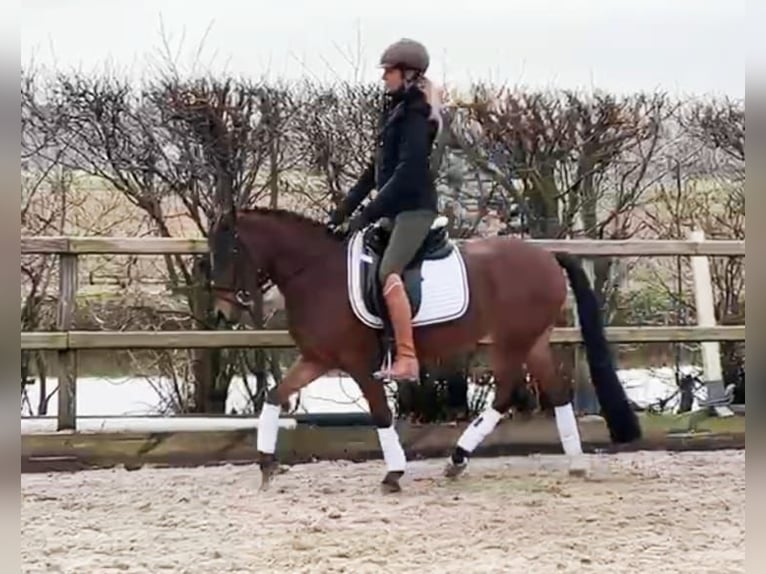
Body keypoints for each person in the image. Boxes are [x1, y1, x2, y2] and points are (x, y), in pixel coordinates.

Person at [328, 38, 442, 382]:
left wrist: (367, 214)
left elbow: (407, 174)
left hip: (415, 211)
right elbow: (373, 172)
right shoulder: (395, 112)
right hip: (395, 210)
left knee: (387, 271)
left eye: (389, 72)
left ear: (408, 74)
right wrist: (341, 212)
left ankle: (407, 358)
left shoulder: (416, 115)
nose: (384, 79)